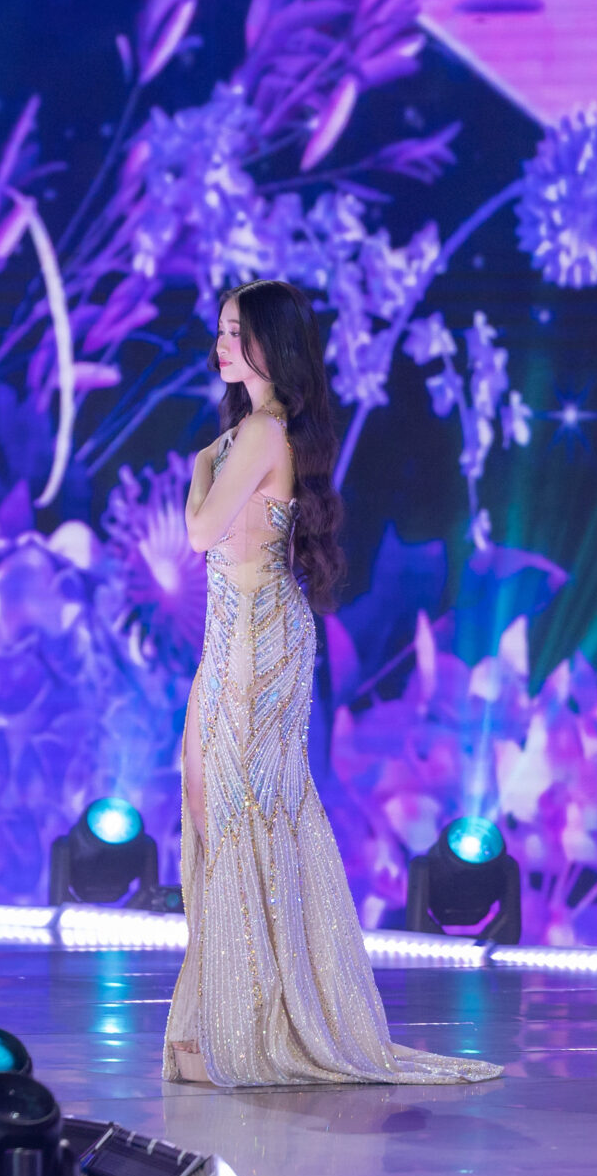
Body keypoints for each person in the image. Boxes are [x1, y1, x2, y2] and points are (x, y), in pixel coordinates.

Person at [165, 279, 500, 1087]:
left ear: (271, 343)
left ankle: (252, 1025)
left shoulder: (257, 432)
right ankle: (224, 1013)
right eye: (220, 330)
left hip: (258, 636)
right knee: (209, 802)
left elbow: (201, 530)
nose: (221, 344)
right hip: (236, 630)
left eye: (236, 331)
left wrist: (201, 466)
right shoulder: (251, 429)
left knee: (239, 812)